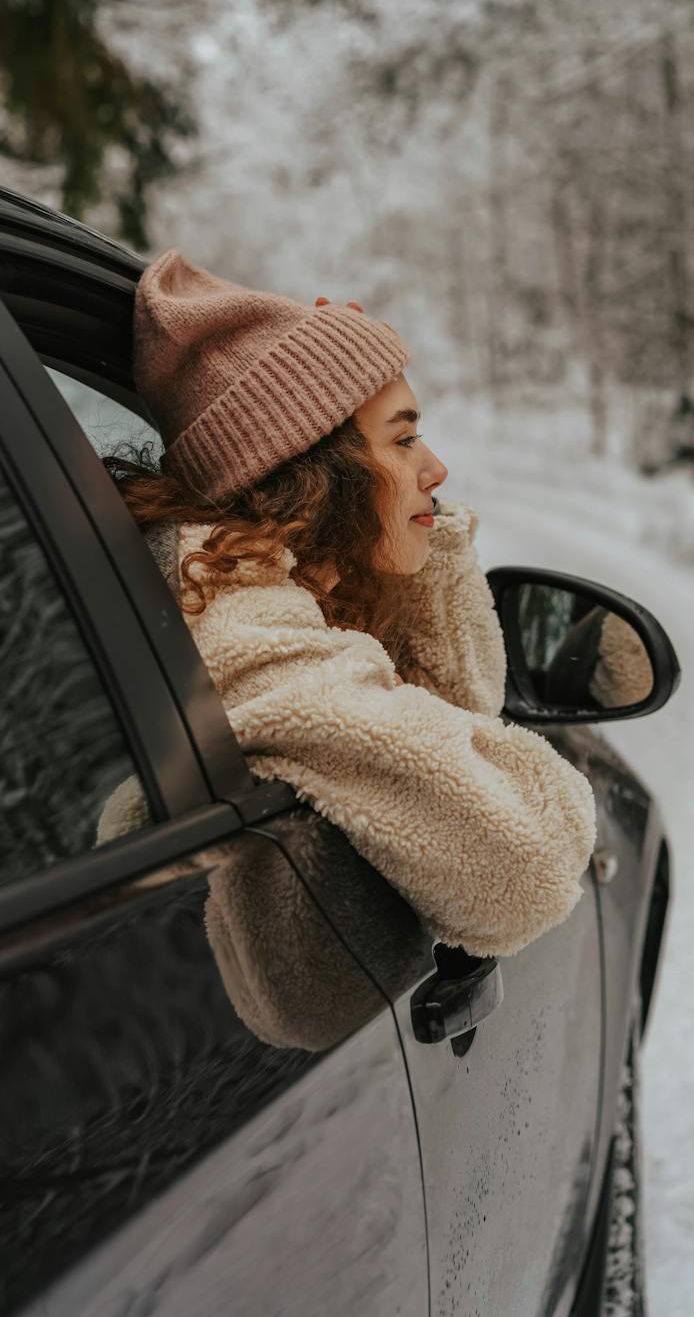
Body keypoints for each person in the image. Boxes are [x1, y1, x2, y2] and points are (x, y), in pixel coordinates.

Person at [96, 250, 596, 960]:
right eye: (405, 437)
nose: (437, 469)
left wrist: (412, 539)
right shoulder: (241, 632)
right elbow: (525, 866)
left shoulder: (291, 594)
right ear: (317, 474)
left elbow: (456, 709)